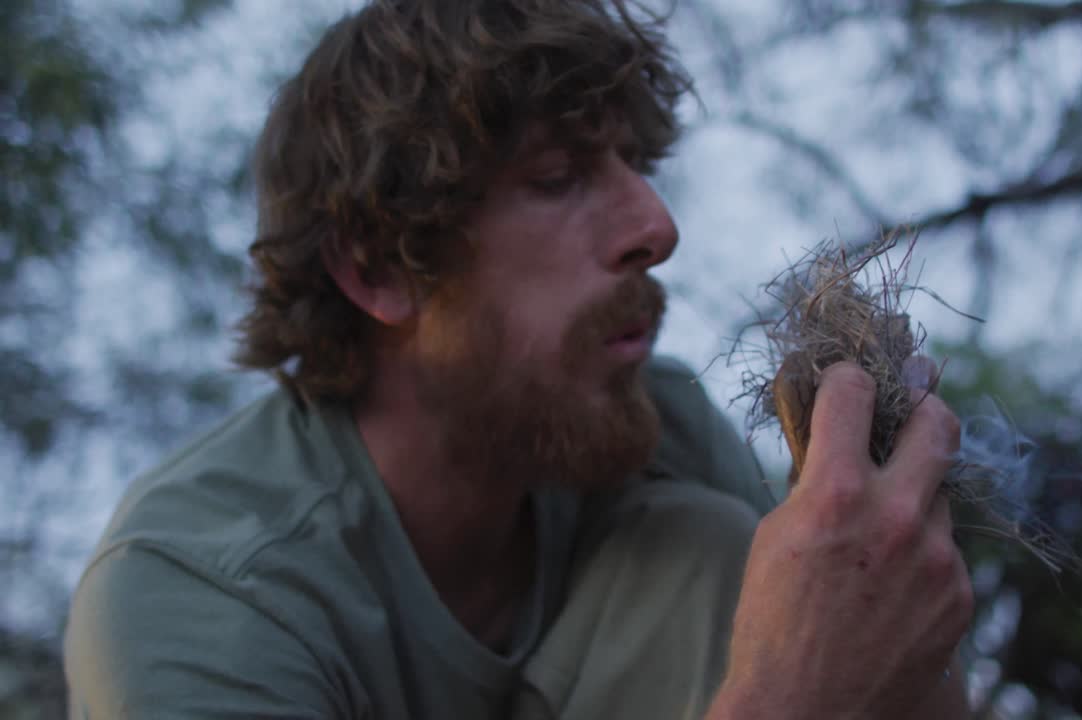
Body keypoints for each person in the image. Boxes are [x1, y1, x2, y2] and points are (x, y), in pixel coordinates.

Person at [63, 0, 973, 717]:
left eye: (632, 164)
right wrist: (794, 700)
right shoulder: (206, 591)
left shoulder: (659, 429)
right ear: (379, 268)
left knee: (701, 551)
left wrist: (887, 587)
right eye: (556, 179)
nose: (656, 228)